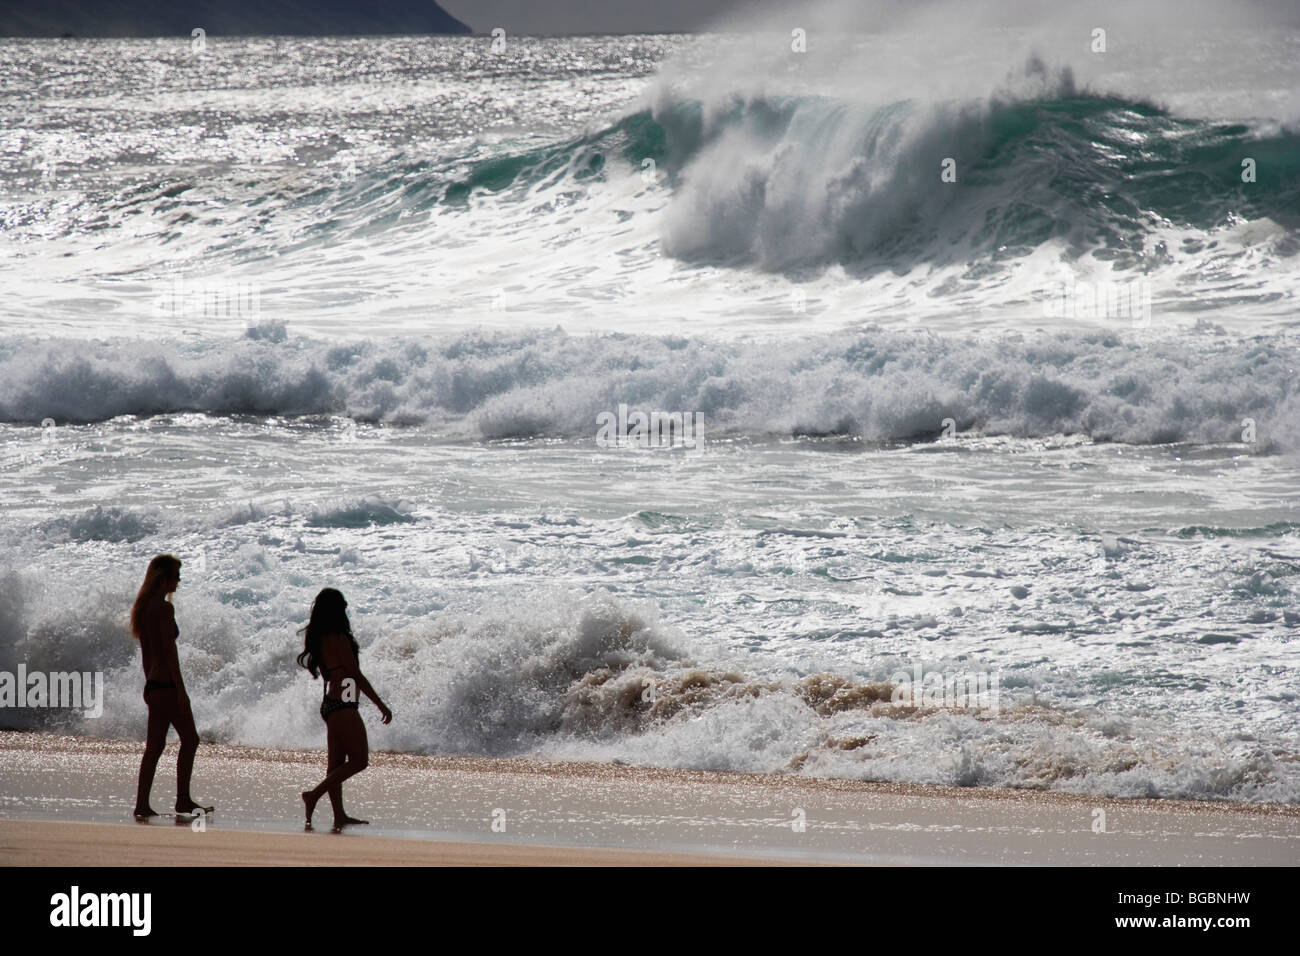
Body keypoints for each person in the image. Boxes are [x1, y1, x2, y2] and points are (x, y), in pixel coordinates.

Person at [297, 588, 392, 830]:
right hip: (342, 705)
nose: (347, 608)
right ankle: (314, 795)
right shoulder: (338, 637)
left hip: (331, 704)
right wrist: (380, 703)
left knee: (336, 766)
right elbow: (354, 675)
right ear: (336, 610)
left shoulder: (322, 636)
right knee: (359, 761)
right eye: (343, 605)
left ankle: (339, 815)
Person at [131, 554, 213, 820]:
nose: (179, 581)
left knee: (154, 746)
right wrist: (181, 691)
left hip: (154, 685)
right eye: (176, 575)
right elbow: (169, 653)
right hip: (166, 684)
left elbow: (147, 655)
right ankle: (183, 800)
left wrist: (149, 685)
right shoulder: (165, 609)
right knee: (190, 739)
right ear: (162, 577)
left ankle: (142, 803)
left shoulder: (143, 609)